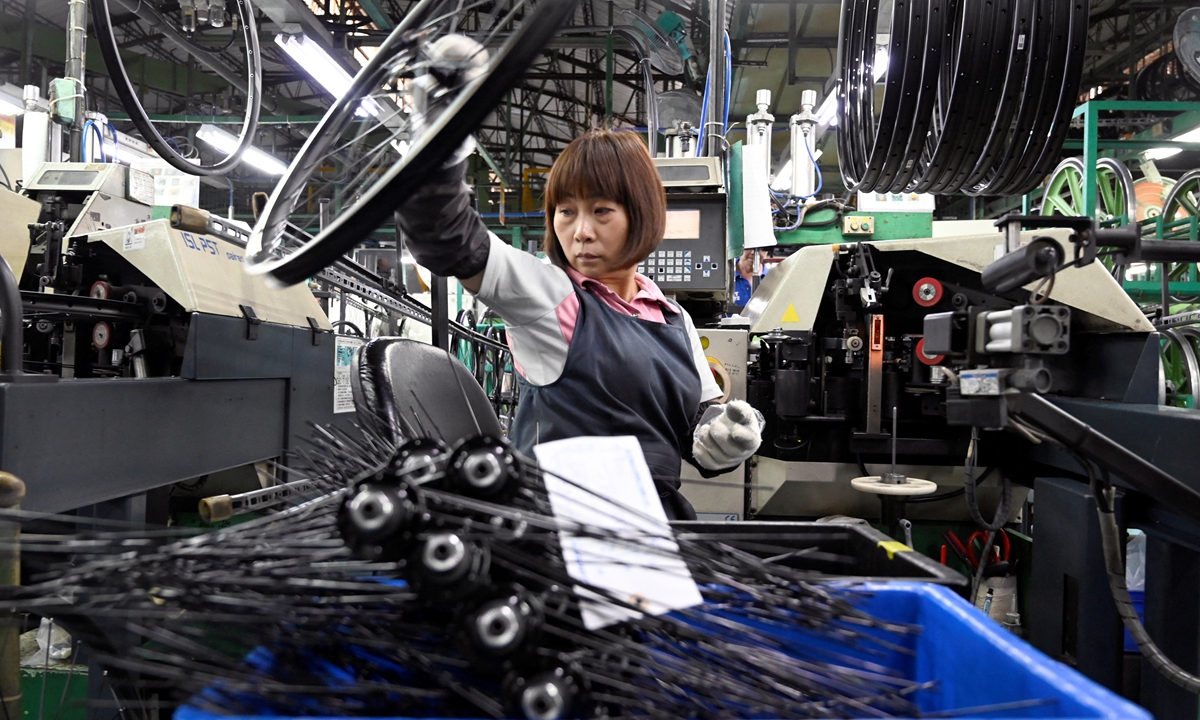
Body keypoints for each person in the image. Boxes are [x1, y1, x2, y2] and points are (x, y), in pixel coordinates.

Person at [393, 40, 763, 519]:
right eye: (566, 211)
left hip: (652, 524)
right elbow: (447, 238)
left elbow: (695, 424)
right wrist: (441, 137)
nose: (580, 231)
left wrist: (723, 437)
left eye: (601, 211)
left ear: (642, 215)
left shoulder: (675, 319)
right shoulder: (551, 298)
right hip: (561, 529)